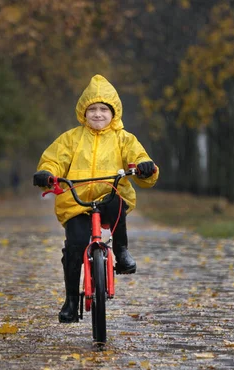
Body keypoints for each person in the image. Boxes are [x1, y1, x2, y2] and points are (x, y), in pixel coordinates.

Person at [33, 74, 159, 323]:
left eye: (103, 109)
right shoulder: (71, 138)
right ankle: (71, 301)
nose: (98, 114)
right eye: (93, 109)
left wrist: (145, 166)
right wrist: (48, 174)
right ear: (83, 112)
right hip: (76, 200)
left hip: (109, 195)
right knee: (75, 245)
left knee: (117, 205)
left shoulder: (124, 139)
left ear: (114, 113)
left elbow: (139, 156)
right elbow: (54, 159)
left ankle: (121, 252)